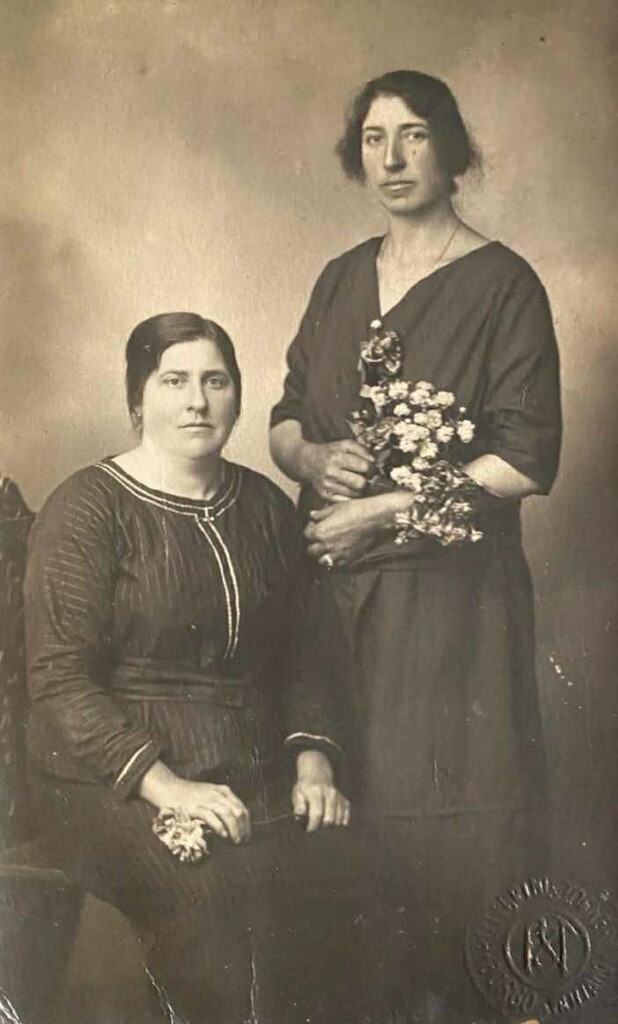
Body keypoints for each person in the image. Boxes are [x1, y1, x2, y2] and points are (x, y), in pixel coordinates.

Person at [270, 70, 561, 1023]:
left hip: (452, 618)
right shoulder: (341, 277)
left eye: (415, 137)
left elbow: (526, 459)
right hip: (336, 607)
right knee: (344, 855)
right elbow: (280, 423)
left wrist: (381, 510)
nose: (391, 160)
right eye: (373, 139)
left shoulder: (503, 284)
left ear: (455, 151)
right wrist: (313, 455)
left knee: (459, 844)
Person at [25, 312, 350, 1024]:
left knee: (342, 880)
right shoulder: (89, 507)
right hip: (107, 773)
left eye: (215, 380)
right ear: (138, 399)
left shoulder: (263, 507)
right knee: (210, 892)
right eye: (174, 381)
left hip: (247, 756)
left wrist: (315, 764)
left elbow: (307, 655)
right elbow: (58, 679)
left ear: (237, 396)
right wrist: (167, 787)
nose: (197, 401)